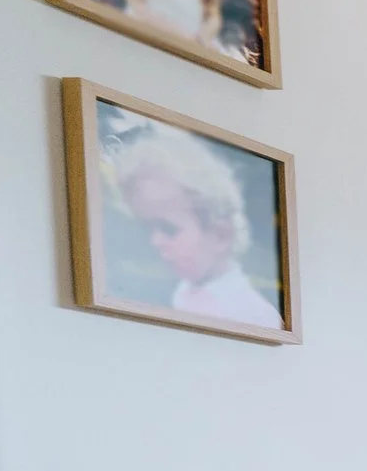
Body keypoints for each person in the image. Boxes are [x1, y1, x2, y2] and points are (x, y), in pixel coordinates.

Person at [112, 126, 281, 330]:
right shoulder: (182, 291)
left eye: (169, 229)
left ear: (221, 235)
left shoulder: (254, 315)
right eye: (148, 228)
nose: (155, 242)